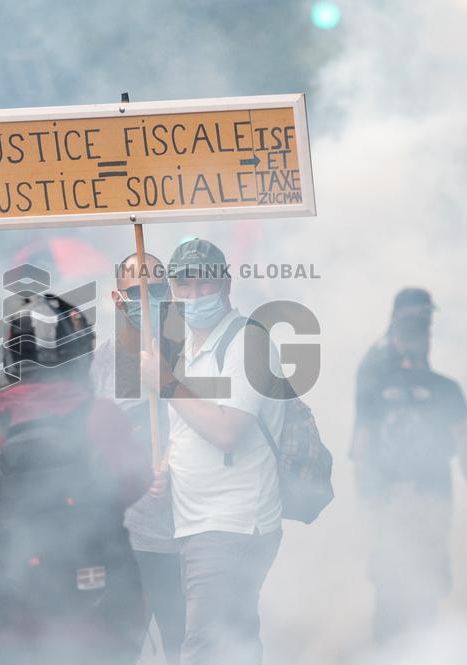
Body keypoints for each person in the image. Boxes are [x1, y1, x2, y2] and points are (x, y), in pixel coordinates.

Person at [0, 292, 152, 665]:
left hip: (14, 617)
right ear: (80, 356)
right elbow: (135, 482)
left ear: (11, 357)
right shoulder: (102, 418)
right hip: (98, 614)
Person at [141, 238, 284, 665]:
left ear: (225, 284)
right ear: (172, 290)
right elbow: (186, 429)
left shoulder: (248, 343)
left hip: (231, 523)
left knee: (204, 649)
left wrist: (165, 383)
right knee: (234, 642)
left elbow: (226, 431)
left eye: (204, 284)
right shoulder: (178, 343)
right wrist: (164, 466)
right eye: (184, 285)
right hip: (195, 521)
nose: (195, 294)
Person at [350, 287, 467, 643]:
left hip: (412, 495)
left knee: (413, 580)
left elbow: (361, 447)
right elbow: (362, 445)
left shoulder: (435, 385)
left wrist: (367, 497)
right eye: (421, 322)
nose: (424, 329)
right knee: (402, 580)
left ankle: (409, 650)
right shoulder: (377, 371)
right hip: (402, 494)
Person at [91, 251, 184, 664]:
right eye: (136, 293)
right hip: (122, 538)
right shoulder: (98, 365)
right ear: (117, 298)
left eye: (158, 291)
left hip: (181, 537)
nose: (148, 302)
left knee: (184, 647)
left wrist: (174, 464)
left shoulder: (189, 356)